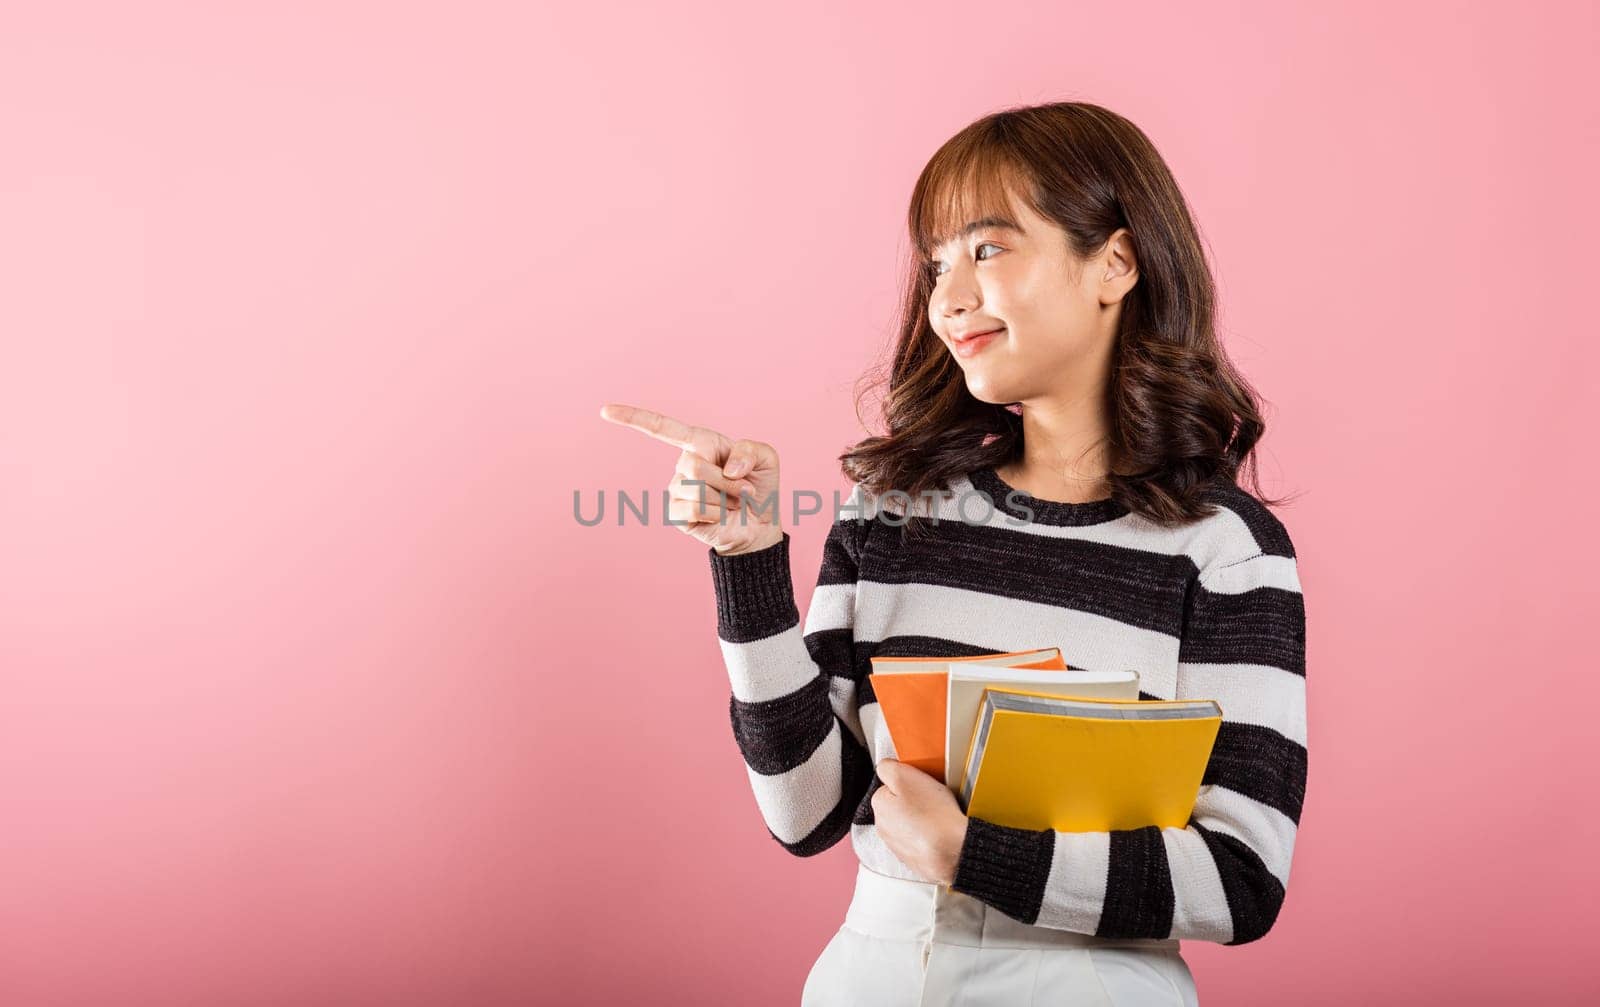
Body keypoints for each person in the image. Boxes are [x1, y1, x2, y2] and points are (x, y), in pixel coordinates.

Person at [600, 100, 1306, 1006]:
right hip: (873, 976)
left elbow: (1244, 877)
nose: (947, 299)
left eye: (987, 249)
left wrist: (977, 855)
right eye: (935, 264)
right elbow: (808, 808)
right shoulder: (894, 512)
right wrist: (748, 558)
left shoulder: (1226, 551)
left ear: (1115, 263)